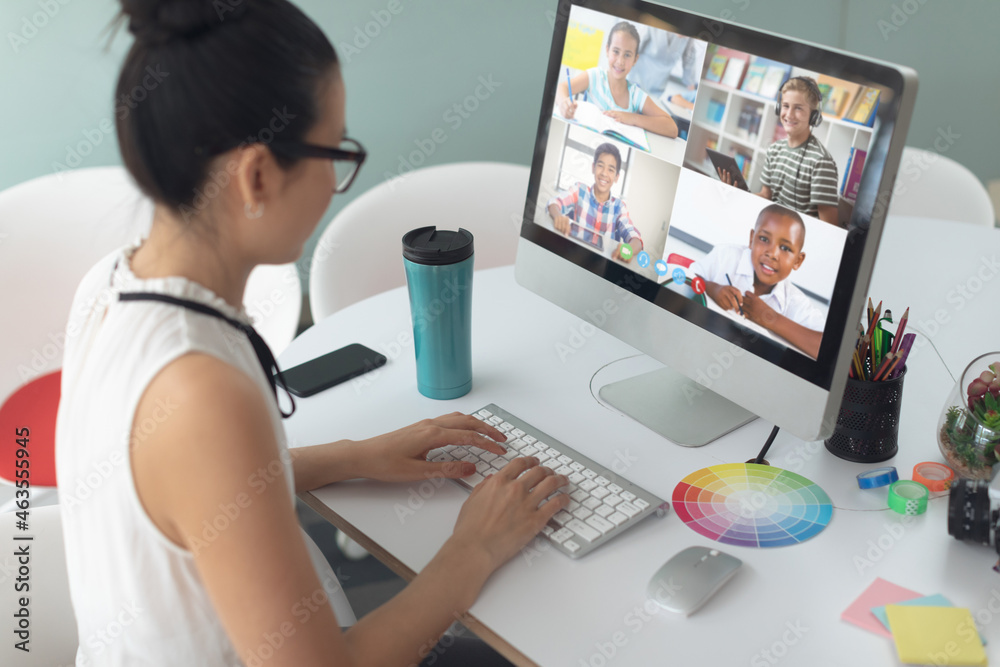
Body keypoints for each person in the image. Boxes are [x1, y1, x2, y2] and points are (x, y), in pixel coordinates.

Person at [55, 1, 569, 665]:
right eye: (335, 152)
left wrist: (356, 454)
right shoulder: (201, 391)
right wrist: (475, 547)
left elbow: (192, 489)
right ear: (258, 174)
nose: (335, 182)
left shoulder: (107, 286)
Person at [691, 204, 825, 358]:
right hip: (701, 344)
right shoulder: (726, 256)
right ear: (751, 239)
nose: (772, 254)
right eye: (763, 239)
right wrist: (710, 288)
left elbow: (824, 348)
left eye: (785, 248)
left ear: (798, 261)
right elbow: (681, 278)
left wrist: (770, 318)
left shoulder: (795, 301)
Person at [718, 76, 840, 226]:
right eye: (786, 106)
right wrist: (740, 195)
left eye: (798, 108)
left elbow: (829, 227)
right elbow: (766, 195)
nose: (789, 114)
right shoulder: (774, 150)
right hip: (771, 225)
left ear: (814, 116)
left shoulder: (821, 162)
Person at [555, 21, 678, 138]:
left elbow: (672, 128)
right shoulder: (595, 76)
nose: (620, 61)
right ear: (607, 50)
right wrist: (563, 103)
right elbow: (562, 87)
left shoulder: (635, 95)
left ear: (635, 59)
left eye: (627, 55)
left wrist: (633, 118)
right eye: (616, 51)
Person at [546, 142, 643, 263]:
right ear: (593, 167)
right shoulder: (579, 190)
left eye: (611, 170)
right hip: (572, 257)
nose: (604, 173)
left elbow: (635, 238)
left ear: (617, 177)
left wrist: (628, 249)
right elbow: (554, 203)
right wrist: (558, 216)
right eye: (600, 166)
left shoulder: (619, 207)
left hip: (601, 266)